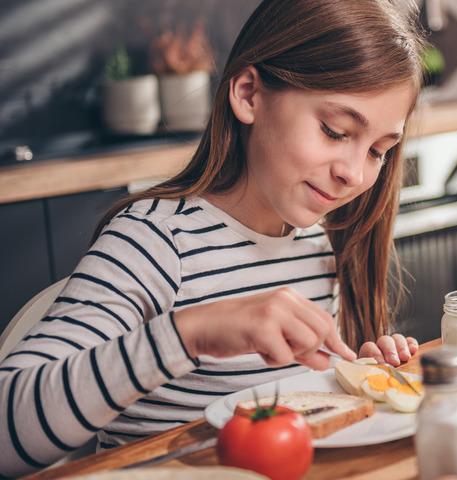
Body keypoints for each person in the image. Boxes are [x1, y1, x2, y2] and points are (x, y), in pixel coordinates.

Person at [0, 0, 426, 475]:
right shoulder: (156, 241)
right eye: (334, 130)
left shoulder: (314, 246)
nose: (354, 173)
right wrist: (191, 333)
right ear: (248, 94)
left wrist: (354, 380)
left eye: (378, 151)